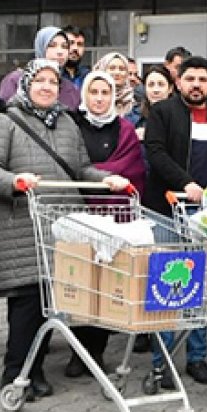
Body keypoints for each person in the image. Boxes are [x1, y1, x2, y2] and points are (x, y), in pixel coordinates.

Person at [0, 59, 130, 402]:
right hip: (20, 225)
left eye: (53, 82)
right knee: (27, 303)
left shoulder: (66, 123)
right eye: (40, 81)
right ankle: (15, 375)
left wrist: (105, 179)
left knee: (50, 301)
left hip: (61, 226)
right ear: (26, 84)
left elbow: (81, 167)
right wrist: (15, 182)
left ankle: (36, 369)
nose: (47, 87)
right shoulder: (4, 122)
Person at [142, 56, 207, 388]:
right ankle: (163, 361)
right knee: (168, 287)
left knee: (201, 286)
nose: (197, 85)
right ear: (179, 83)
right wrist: (184, 183)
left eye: (203, 79)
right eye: (190, 79)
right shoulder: (163, 113)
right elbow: (156, 153)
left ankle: (197, 357)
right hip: (167, 208)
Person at [63, 70, 146, 378]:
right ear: (85, 94)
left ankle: (96, 351)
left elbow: (132, 167)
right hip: (77, 212)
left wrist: (96, 172)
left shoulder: (124, 129)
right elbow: (69, 163)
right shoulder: (71, 126)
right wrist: (96, 175)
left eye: (105, 93)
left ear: (114, 96)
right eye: (93, 92)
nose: (99, 98)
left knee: (106, 283)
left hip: (114, 218)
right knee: (81, 282)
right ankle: (77, 352)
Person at [0, 27, 80, 109]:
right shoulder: (15, 80)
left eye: (64, 47)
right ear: (41, 47)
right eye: (52, 45)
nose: (60, 52)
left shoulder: (70, 88)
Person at [93, 52, 140, 125]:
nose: (117, 72)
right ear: (102, 70)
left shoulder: (136, 101)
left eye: (122, 69)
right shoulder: (92, 99)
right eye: (112, 68)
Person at [137, 65, 175, 138]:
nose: (156, 90)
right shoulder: (133, 117)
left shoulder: (182, 116)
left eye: (161, 84)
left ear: (170, 88)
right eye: (151, 85)